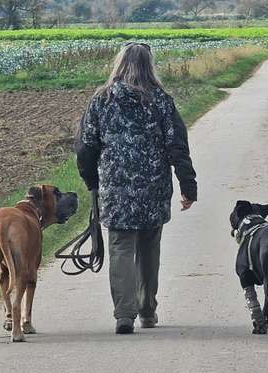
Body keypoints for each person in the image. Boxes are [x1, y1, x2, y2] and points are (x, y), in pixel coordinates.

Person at [76, 42, 197, 334]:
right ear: (149, 66)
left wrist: (93, 181)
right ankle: (147, 310)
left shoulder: (101, 100)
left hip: (115, 192)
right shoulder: (162, 101)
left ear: (119, 64)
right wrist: (187, 185)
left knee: (120, 249)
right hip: (153, 190)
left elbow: (85, 148)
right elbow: (177, 146)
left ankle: (124, 315)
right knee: (149, 249)